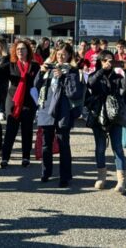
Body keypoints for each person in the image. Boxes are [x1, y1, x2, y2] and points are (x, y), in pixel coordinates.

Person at [35, 43, 82, 187]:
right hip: (47, 109)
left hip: (63, 111)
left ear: (69, 55)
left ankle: (65, 176)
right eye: (58, 54)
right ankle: (45, 172)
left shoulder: (72, 71)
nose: (60, 57)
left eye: (64, 54)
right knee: (46, 144)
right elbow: (36, 84)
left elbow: (74, 92)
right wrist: (41, 72)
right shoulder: (50, 68)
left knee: (63, 145)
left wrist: (63, 77)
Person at [0, 39, 40, 169]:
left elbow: (40, 82)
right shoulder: (11, 65)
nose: (20, 51)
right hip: (13, 100)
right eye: (18, 49)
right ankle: (5, 158)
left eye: (22, 49)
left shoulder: (35, 66)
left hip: (29, 101)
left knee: (27, 130)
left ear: (28, 51)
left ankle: (26, 157)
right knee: (11, 130)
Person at [86, 50, 126, 193]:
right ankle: (101, 177)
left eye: (111, 60)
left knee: (117, 147)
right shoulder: (95, 75)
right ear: (100, 61)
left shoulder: (117, 76)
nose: (108, 63)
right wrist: (101, 71)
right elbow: (91, 84)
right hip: (98, 114)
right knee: (100, 148)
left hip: (114, 115)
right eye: (105, 60)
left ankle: (121, 180)